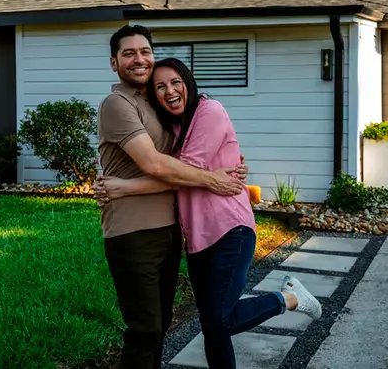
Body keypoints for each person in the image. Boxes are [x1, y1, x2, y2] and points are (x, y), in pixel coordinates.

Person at [96, 57, 322, 369]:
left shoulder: (209, 111)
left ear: (188, 82)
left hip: (230, 230)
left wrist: (123, 187)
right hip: (197, 238)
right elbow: (180, 170)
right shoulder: (174, 125)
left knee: (219, 321)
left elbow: (182, 172)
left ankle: (289, 299)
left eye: (175, 82)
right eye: (160, 87)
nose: (170, 91)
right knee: (213, 328)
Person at [97, 25, 249, 369]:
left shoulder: (158, 105)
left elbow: (189, 157)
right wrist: (213, 179)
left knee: (161, 326)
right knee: (145, 329)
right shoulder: (117, 104)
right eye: (128, 53)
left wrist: (229, 165)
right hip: (131, 232)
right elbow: (156, 165)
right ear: (113, 63)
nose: (139, 59)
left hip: (169, 230)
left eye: (145, 51)